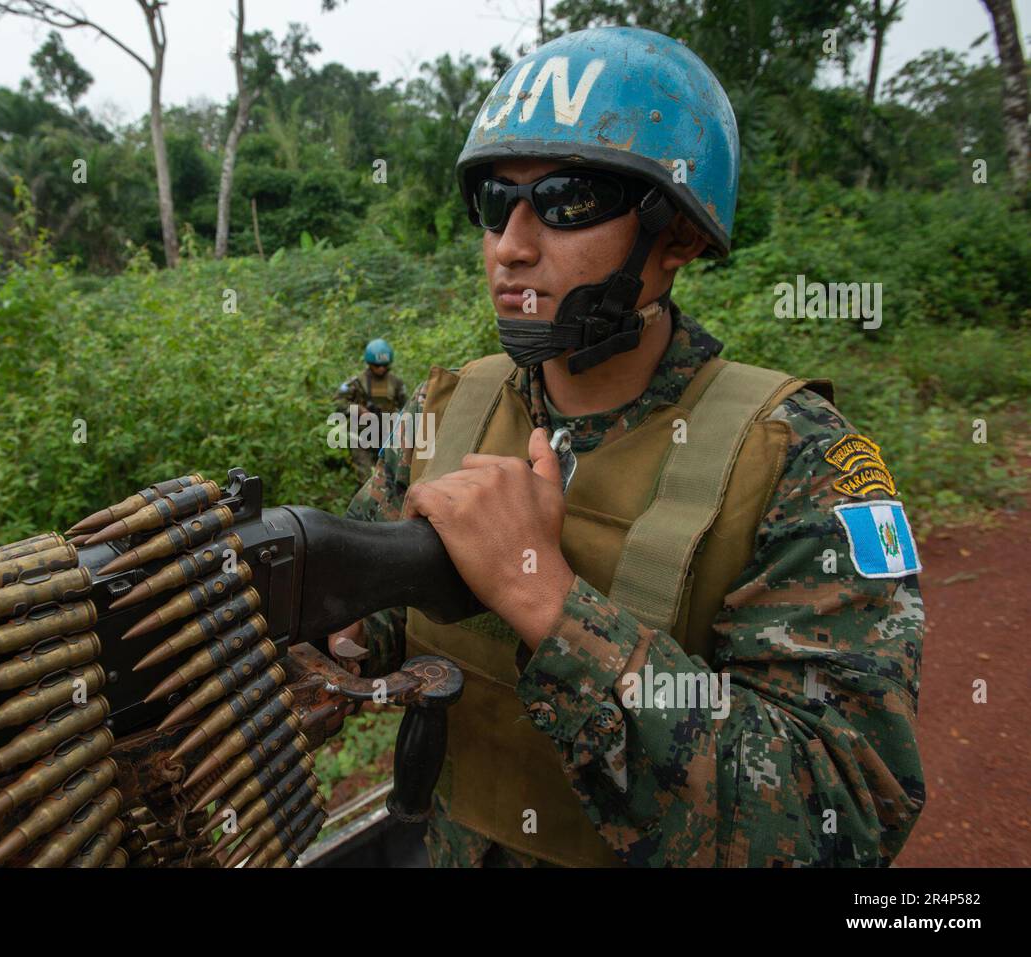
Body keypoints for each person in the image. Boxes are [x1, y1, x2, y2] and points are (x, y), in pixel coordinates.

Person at [328, 26, 925, 867]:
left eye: (568, 203)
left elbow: (845, 813)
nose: (512, 245)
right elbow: (373, 611)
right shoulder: (451, 406)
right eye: (496, 203)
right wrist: (317, 622)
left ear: (676, 235)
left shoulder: (801, 462)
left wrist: (549, 604)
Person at [335, 338, 407, 485]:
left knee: (390, 479)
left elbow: (406, 407)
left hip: (387, 436)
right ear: (369, 363)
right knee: (366, 478)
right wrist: (357, 409)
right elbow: (338, 402)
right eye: (377, 365)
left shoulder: (396, 383)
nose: (381, 369)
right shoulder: (356, 383)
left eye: (385, 365)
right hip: (362, 437)